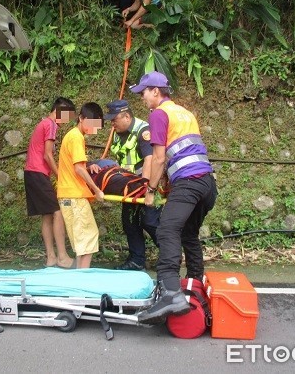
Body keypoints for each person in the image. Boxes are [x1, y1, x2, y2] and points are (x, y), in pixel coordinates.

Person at [129, 71, 218, 324]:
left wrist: (151, 191)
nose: (143, 98)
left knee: (167, 229)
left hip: (189, 183)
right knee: (188, 233)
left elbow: (158, 158)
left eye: (144, 93)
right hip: (207, 183)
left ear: (156, 91)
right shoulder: (185, 112)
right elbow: (178, 152)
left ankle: (171, 292)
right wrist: (169, 181)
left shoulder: (158, 114)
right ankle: (194, 284)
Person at [103, 99, 160, 271]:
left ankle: (170, 255)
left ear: (126, 116)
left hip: (146, 184)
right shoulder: (117, 133)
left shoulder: (143, 131)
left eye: (114, 120)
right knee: (130, 222)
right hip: (128, 186)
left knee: (150, 221)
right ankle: (137, 260)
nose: (112, 124)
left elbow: (150, 160)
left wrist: (146, 187)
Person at [24, 97, 77, 269]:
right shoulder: (51, 125)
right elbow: (47, 155)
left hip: (33, 173)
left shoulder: (44, 124)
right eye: (67, 116)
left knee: (47, 215)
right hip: (38, 173)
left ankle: (51, 258)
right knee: (58, 212)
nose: (67, 120)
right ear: (59, 111)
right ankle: (62, 257)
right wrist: (60, 175)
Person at [56, 102, 105, 269]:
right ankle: (82, 278)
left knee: (84, 240)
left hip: (69, 195)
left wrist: (88, 165)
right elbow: (78, 169)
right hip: (74, 195)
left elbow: (77, 165)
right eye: (92, 123)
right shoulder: (76, 137)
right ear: (81, 118)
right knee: (87, 237)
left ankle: (82, 275)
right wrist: (97, 189)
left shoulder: (73, 136)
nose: (94, 128)